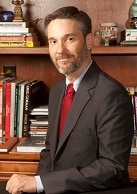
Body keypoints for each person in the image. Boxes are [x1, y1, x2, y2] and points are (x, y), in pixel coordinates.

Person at [6, 6, 134, 194]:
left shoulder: (112, 94)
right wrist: (39, 187)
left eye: (70, 39)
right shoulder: (58, 90)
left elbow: (112, 168)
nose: (60, 50)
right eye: (53, 41)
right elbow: (50, 152)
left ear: (89, 41)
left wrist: (41, 184)